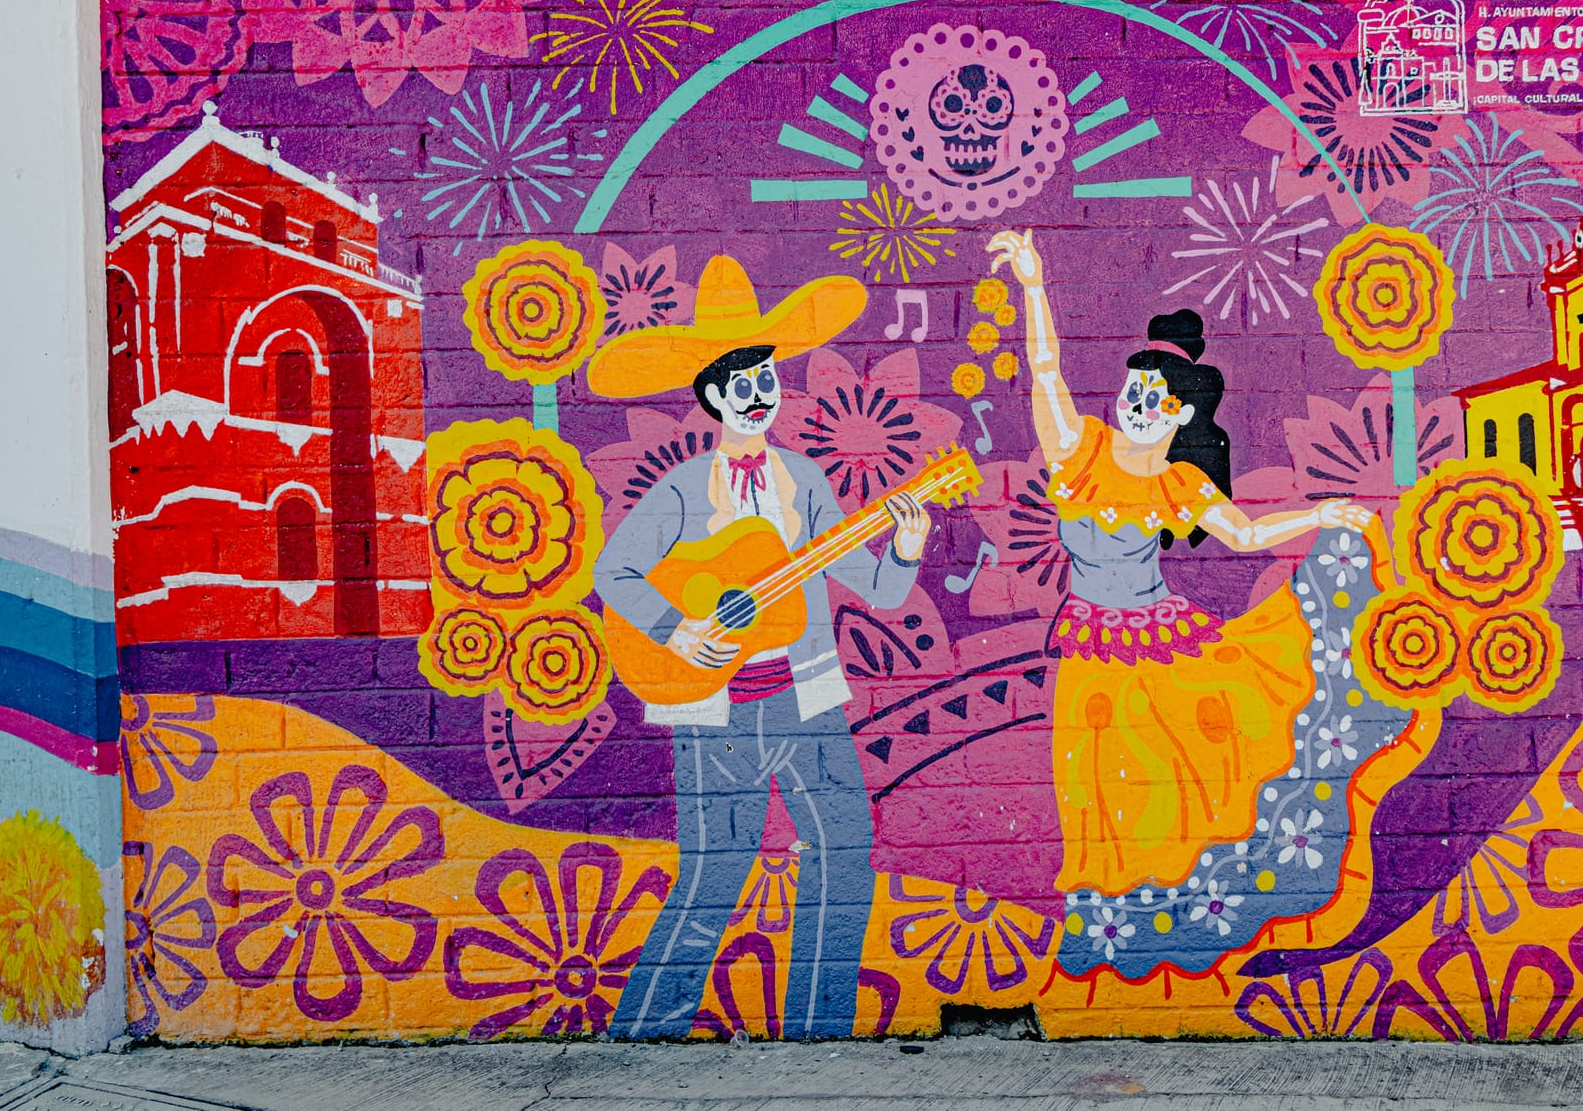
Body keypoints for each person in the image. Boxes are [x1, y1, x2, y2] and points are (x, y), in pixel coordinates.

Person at [586, 254, 930, 1041]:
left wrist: (905, 547)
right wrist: (684, 629)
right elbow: (615, 569)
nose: (758, 393)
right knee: (714, 876)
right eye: (741, 381)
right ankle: (644, 1031)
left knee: (844, 851)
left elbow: (874, 589)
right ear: (710, 394)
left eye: (767, 374)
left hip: (804, 702)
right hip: (714, 714)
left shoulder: (805, 482)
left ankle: (817, 1027)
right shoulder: (679, 491)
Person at [985, 229, 1372, 897]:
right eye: (1132, 392)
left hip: (1160, 643)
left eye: (1153, 399)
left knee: (1186, 770)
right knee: (1096, 780)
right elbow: (1046, 373)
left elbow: (1246, 535)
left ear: (1182, 411)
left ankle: (1184, 893)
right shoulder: (1081, 452)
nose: (1135, 407)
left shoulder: (1181, 484)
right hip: (1092, 647)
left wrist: (1319, 515)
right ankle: (1111, 908)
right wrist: (1033, 285)